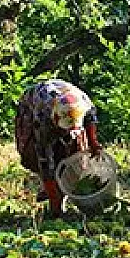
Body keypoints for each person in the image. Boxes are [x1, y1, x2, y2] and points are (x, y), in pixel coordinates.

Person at [14, 79, 103, 217]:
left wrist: (93, 143)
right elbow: (44, 158)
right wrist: (53, 198)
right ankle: (51, 189)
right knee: (31, 153)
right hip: (30, 106)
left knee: (76, 148)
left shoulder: (84, 104)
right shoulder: (43, 117)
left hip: (63, 95)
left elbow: (90, 120)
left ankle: (63, 184)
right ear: (55, 120)